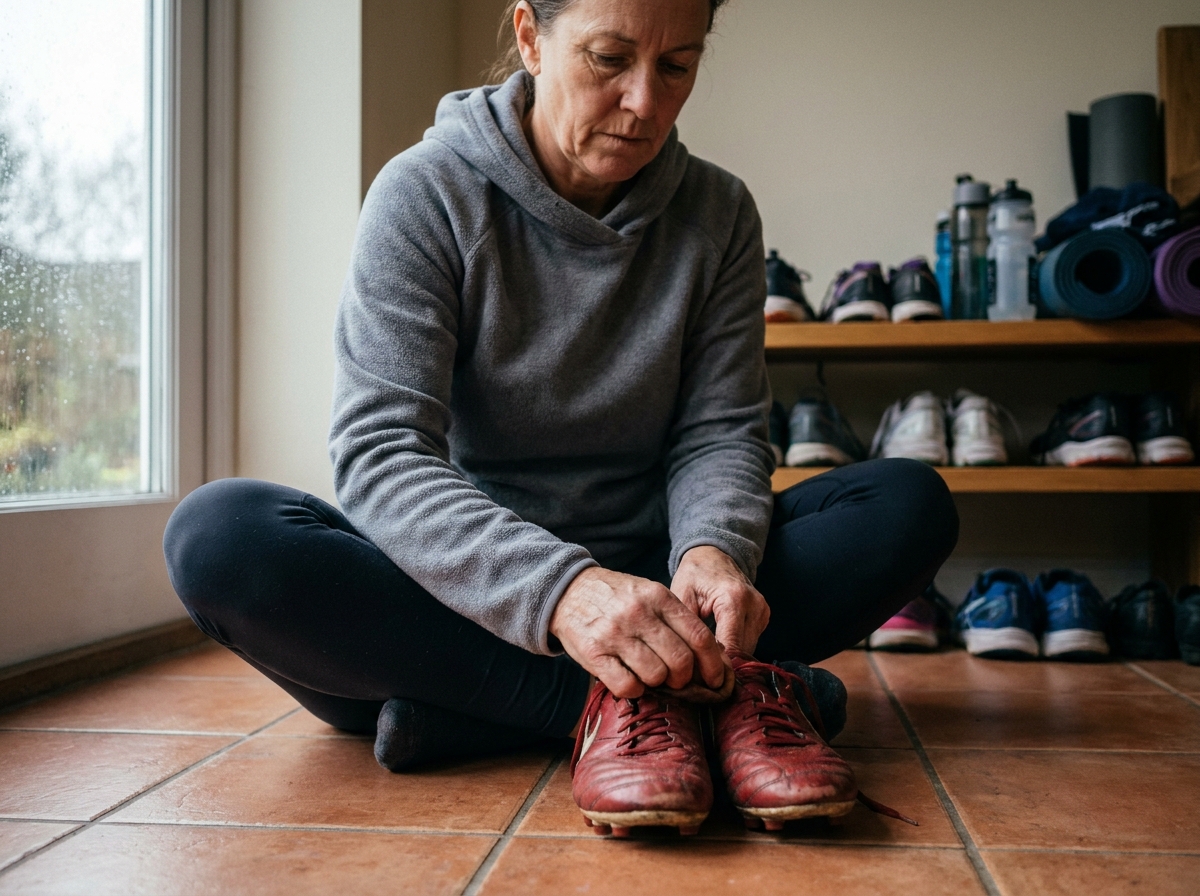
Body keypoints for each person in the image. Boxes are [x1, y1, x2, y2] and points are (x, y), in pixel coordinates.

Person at [163, 0, 957, 835]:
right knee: (219, 537)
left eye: (678, 66)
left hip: (661, 588)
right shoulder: (425, 192)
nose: (645, 102)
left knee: (908, 502)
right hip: (467, 598)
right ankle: (699, 702)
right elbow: (381, 454)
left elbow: (719, 431)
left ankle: (481, 716)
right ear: (531, 38)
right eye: (610, 58)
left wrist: (714, 553)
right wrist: (564, 592)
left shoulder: (719, 212)